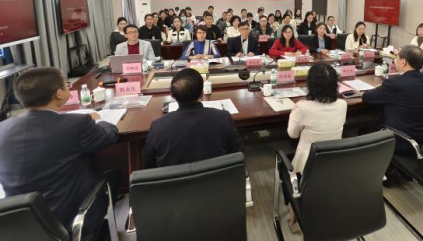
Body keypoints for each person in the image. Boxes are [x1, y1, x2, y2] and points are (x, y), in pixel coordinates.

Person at [0, 67, 119, 236]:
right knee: (114, 175)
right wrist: (99, 120)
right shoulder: (76, 124)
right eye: (66, 85)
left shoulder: (3, 128)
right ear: (59, 94)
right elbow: (110, 136)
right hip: (66, 221)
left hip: (19, 224)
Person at [144, 68, 243, 169]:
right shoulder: (223, 118)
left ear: (172, 95)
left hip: (175, 179)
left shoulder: (158, 127)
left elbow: (149, 165)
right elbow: (237, 154)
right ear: (201, 93)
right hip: (217, 177)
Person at [363, 45, 423, 154]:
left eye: (396, 58)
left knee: (364, 130)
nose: (395, 61)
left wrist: (380, 89)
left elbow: (367, 98)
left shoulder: (395, 84)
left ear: (403, 62)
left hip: (401, 140)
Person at [288, 64, 348, 173]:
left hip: (307, 164)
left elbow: (293, 134)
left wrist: (294, 111)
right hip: (334, 159)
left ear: (310, 84)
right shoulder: (343, 104)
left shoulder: (302, 108)